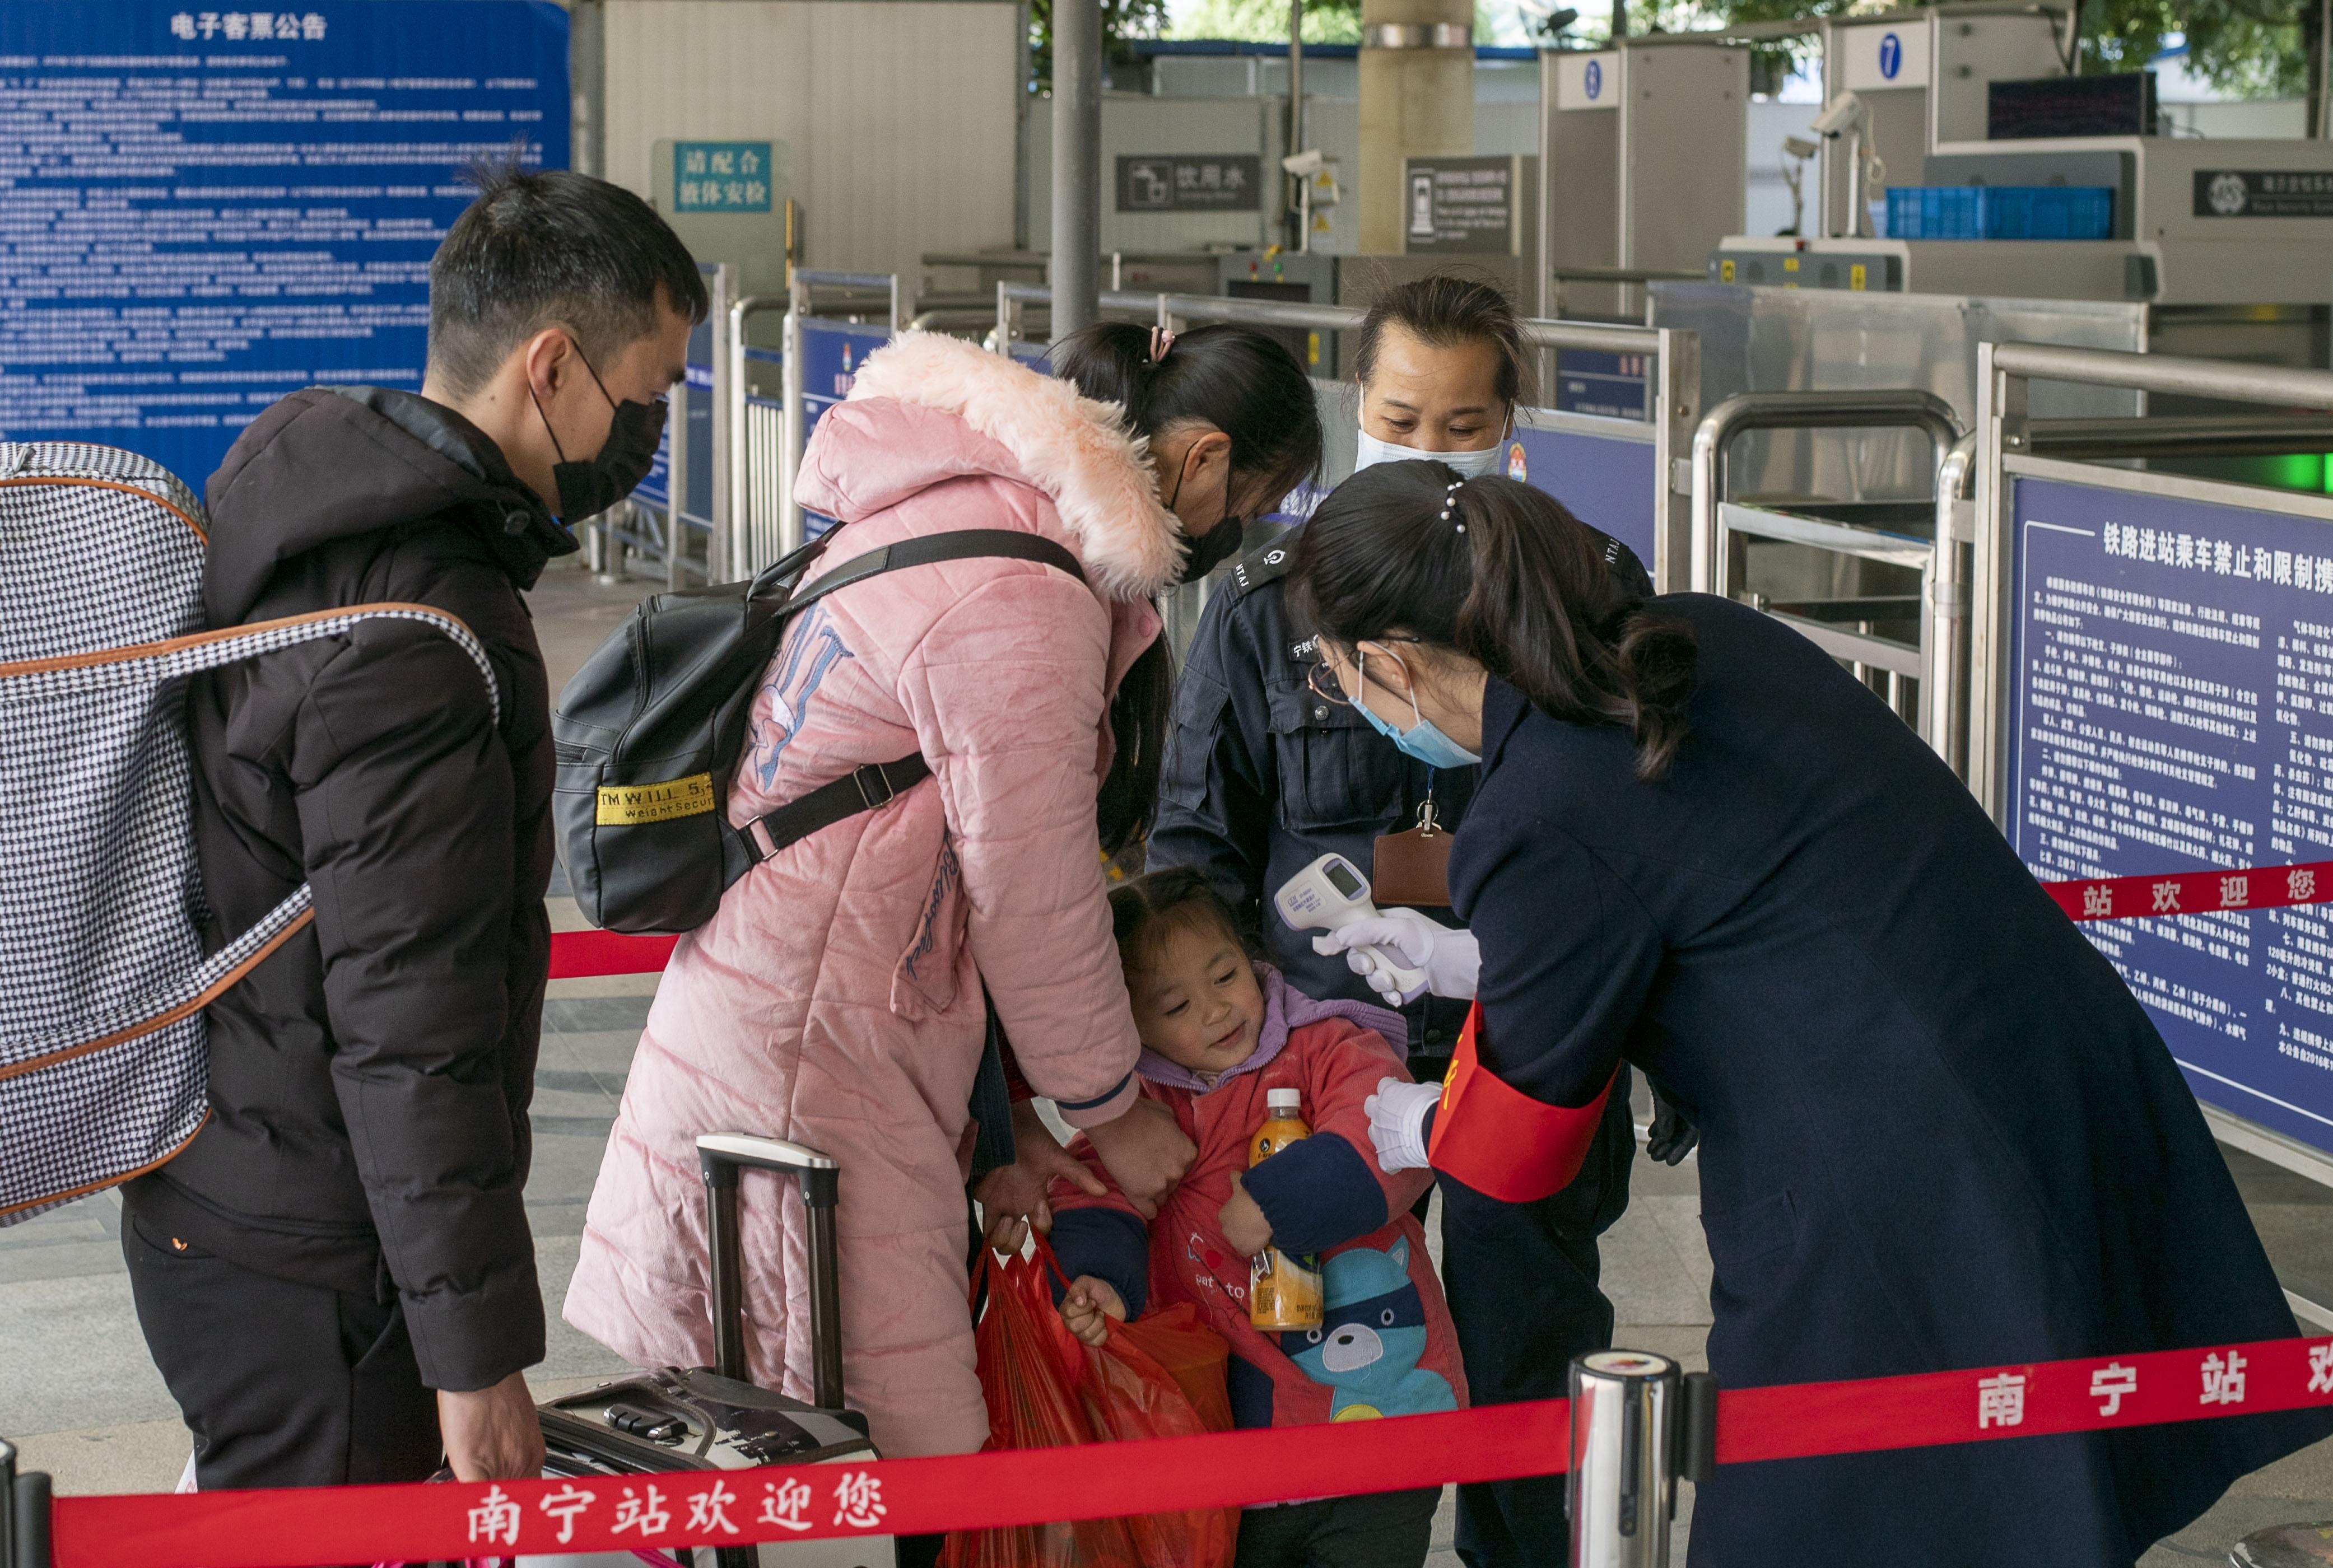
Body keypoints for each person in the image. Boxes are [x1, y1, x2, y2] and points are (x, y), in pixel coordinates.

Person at [1298, 460, 2333, 1566]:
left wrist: (1418, 1118)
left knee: (1841, 1514)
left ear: (1391, 660)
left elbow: (1521, 1145)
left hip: (1894, 1175)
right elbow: (1696, 887)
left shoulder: (1534, 806)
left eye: (1336, 680)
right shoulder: (1693, 635)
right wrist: (1476, 959)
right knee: (2023, 1489)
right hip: (2040, 1059)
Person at [566, 323, 1323, 1514]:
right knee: (874, 1462)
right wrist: (1110, 1111)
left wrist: (1005, 1123)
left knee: (796, 1449)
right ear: (1210, 460)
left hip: (807, 1023)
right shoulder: (1019, 593)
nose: (1245, 530)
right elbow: (1032, 893)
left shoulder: (970, 510)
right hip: (816, 1069)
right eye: (1261, 497)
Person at [118, 162, 702, 1490]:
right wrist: (473, 1357)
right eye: (648, 394)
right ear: (551, 368)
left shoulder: (307, 521)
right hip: (323, 1259)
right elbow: (408, 1016)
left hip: (235, 1193)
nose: (649, 431)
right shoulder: (417, 633)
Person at [1141, 272, 1658, 1568]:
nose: (1429, 453)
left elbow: (1640, 836)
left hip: (1523, 1044)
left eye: (1463, 426)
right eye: (1401, 418)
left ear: (1514, 425)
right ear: (1356, 408)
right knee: (1315, 1354)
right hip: (1308, 1071)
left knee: (1525, 1352)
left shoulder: (1586, 590)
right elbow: (1200, 839)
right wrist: (1206, 1058)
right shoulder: (1268, 600)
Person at [1052, 868, 1464, 1568]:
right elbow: (1091, 1188)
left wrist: (1276, 1205)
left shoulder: (1328, 1045)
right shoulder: (1137, 1109)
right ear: (1128, 1023)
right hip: (1237, 1436)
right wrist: (1102, 1279)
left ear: (1254, 960)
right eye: (1176, 1004)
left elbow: (1387, 1133)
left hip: (1377, 1421)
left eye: (1225, 975)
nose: (1215, 1011)